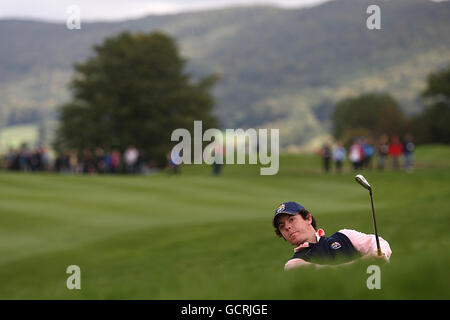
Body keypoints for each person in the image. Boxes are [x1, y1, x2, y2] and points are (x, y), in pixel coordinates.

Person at [272, 201, 392, 270]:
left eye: (292, 220)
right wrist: (365, 261)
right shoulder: (293, 264)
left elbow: (377, 242)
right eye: (282, 226)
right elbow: (329, 273)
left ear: (308, 218)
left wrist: (379, 254)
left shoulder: (345, 235)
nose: (287, 227)